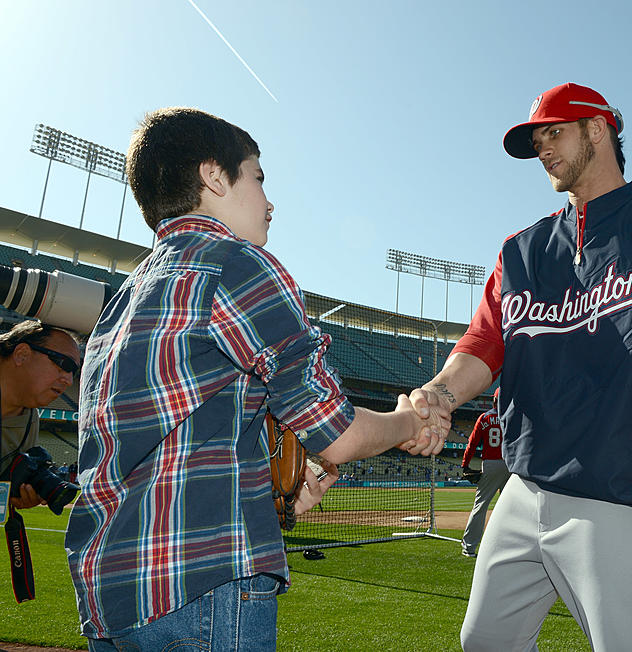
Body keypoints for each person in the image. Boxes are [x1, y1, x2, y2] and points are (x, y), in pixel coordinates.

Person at [64, 108, 447, 651]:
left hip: (114, 589)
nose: (270, 202)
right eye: (258, 177)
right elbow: (336, 432)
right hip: (200, 583)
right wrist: (408, 420)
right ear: (214, 177)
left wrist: (278, 494)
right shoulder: (236, 265)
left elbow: (161, 447)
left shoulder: (125, 298)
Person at [408, 83, 632, 651]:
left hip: (620, 503)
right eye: (536, 140)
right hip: (522, 495)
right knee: (482, 645)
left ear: (598, 128)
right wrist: (439, 394)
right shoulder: (521, 250)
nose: (543, 149)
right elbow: (482, 344)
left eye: (554, 132)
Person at [0, 320, 81, 511]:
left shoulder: (29, 418)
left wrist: (13, 494)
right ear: (21, 354)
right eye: (64, 364)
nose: (69, 380)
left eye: (74, 372)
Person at [460, 388, 510, 557]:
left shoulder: (485, 418)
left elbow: (472, 444)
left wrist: (465, 465)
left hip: (490, 464)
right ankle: (506, 547)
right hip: (511, 465)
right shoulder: (513, 417)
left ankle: (469, 548)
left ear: (493, 401)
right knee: (511, 508)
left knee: (480, 506)